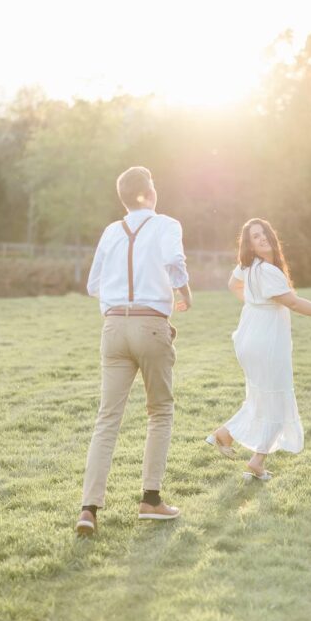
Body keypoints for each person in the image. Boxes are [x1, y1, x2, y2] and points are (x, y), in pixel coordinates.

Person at [76, 166, 192, 536]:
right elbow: (175, 263)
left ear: (124, 198)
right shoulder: (166, 225)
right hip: (150, 324)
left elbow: (93, 284)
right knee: (160, 411)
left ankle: (88, 510)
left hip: (113, 328)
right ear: (150, 193)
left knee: (107, 419)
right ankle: (150, 499)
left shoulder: (112, 231)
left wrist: (121, 289)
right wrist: (184, 293)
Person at [207, 218, 311, 480]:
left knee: (262, 398)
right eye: (254, 237)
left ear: (271, 236)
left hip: (250, 337)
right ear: (249, 245)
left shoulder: (249, 267)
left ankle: (231, 441)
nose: (261, 238)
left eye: (263, 233)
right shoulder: (267, 271)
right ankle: (252, 457)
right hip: (265, 342)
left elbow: (232, 284)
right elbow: (293, 303)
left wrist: (255, 304)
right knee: (278, 400)